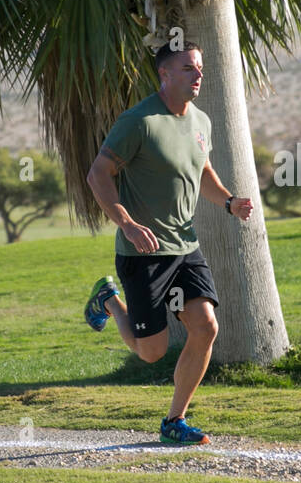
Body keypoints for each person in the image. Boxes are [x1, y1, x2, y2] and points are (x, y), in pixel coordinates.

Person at [83, 41, 254, 445]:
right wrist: (126, 223)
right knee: (152, 352)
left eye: (200, 68)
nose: (198, 75)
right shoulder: (138, 121)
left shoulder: (201, 121)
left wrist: (229, 201)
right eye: (188, 69)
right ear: (164, 74)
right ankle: (108, 298)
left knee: (205, 326)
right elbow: (98, 174)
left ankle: (174, 421)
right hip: (142, 254)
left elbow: (203, 170)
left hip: (184, 247)